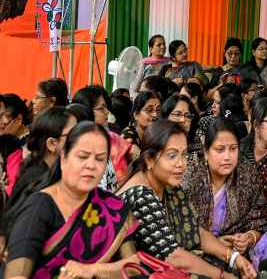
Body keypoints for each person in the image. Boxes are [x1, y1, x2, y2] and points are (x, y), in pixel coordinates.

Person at [118, 120, 256, 279]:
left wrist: (233, 257)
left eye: (184, 154)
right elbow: (173, 257)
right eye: (172, 156)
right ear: (149, 160)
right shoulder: (141, 195)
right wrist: (222, 276)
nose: (181, 164)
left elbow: (194, 229)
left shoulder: (168, 186)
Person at [4, 122, 138, 279]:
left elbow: (133, 268)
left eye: (100, 159)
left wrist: (93, 270)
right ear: (63, 158)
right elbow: (16, 276)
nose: (91, 165)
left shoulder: (112, 206)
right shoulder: (39, 207)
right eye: (83, 157)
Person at [183, 117, 267, 267]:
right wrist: (214, 245)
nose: (227, 156)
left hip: (238, 259)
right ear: (206, 152)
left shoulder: (248, 177)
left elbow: (261, 221)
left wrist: (248, 238)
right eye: (220, 149)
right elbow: (178, 233)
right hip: (194, 259)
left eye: (233, 149)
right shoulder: (189, 179)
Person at [72, 86, 130, 187]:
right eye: (101, 108)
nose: (107, 112)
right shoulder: (74, 147)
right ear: (85, 111)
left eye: (106, 107)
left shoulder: (109, 140)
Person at [120, 90, 160, 156]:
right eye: (149, 110)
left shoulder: (159, 132)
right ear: (136, 115)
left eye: (158, 110)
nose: (155, 115)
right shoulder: (127, 136)